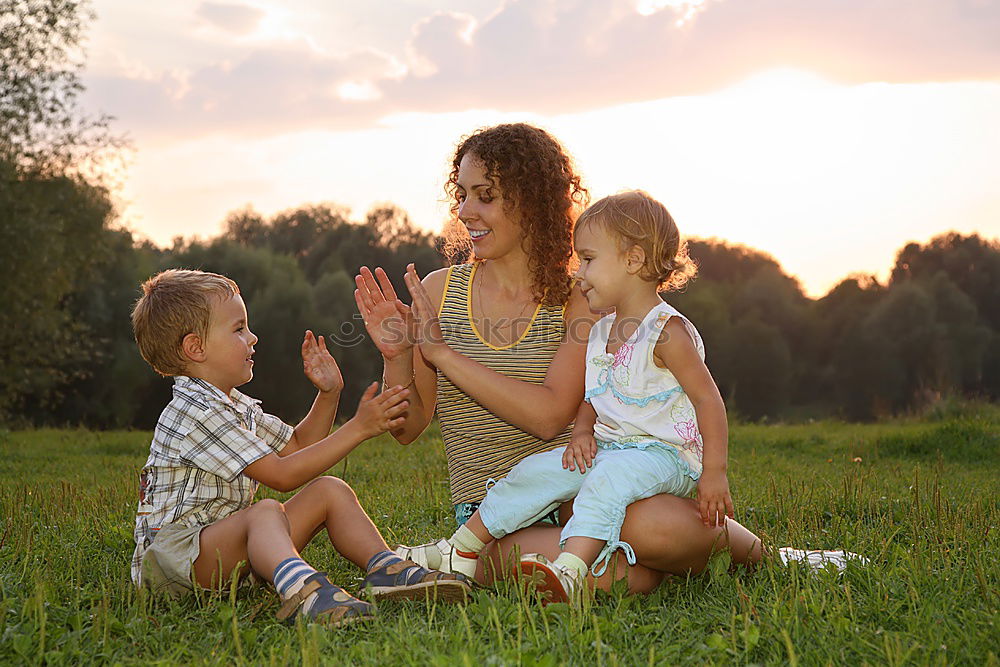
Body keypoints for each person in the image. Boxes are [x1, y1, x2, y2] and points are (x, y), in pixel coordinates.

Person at [354, 123, 764, 596]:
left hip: (580, 490)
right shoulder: (438, 292)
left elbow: (550, 417)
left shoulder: (582, 298)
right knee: (632, 572)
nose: (466, 211)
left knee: (652, 528)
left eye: (484, 195)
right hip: (493, 515)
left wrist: (443, 355)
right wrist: (400, 355)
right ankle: (495, 559)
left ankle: (767, 557)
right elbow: (408, 429)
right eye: (462, 194)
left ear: (531, 202)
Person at [394, 190, 733, 604]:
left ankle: (570, 569)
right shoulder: (602, 328)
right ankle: (460, 548)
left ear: (633, 260)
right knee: (538, 469)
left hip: (664, 455)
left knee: (611, 484)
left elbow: (708, 401)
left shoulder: (667, 332)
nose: (579, 273)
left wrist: (713, 471)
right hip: (614, 450)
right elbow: (594, 394)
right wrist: (583, 432)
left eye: (588, 260)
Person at [130, 269, 471, 628]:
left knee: (329, 490)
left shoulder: (233, 404)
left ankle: (386, 568)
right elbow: (282, 475)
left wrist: (328, 394)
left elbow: (296, 446)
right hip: (175, 563)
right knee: (264, 510)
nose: (253, 337)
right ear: (195, 348)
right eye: (238, 329)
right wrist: (359, 427)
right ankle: (303, 593)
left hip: (226, 550)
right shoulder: (196, 411)